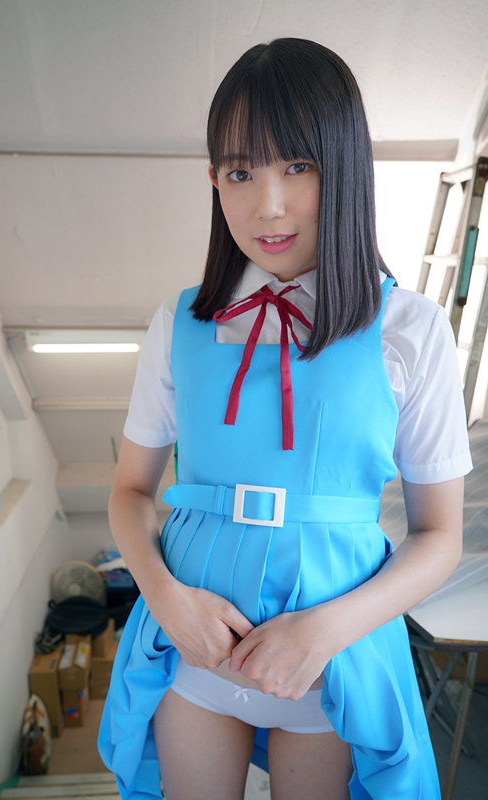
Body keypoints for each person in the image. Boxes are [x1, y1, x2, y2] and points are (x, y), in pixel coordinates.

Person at [98, 38, 472, 799]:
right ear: (213, 180)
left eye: (298, 166)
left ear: (346, 169)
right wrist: (167, 600)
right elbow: (130, 492)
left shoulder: (410, 328)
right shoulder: (179, 323)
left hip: (330, 662)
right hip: (193, 651)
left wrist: (324, 633)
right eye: (240, 172)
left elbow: (440, 537)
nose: (267, 205)